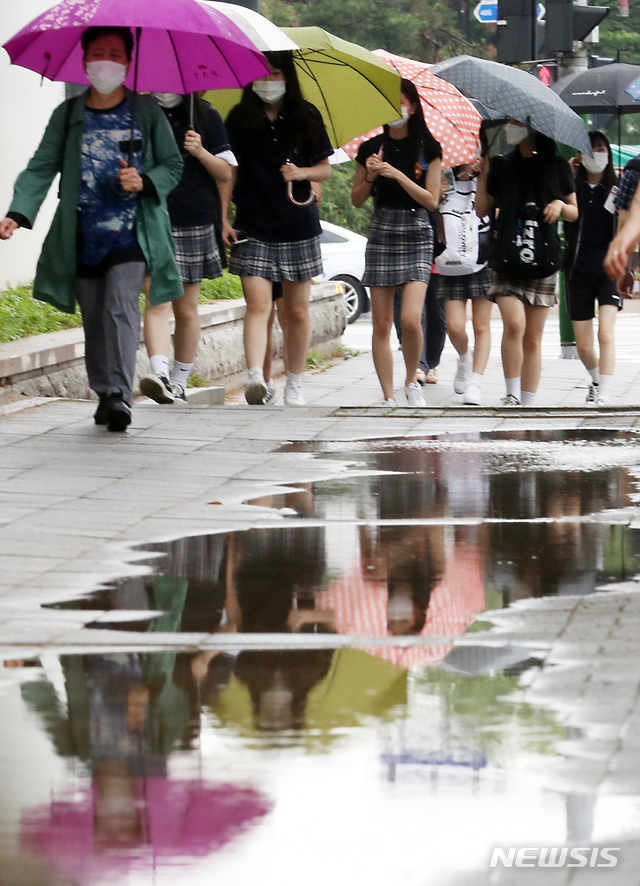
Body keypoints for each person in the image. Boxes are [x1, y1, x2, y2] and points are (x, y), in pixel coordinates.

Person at [0, 27, 183, 431]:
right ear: (85, 63)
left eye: (115, 54)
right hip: (81, 234)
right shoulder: (68, 115)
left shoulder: (146, 112)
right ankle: (104, 391)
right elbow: (42, 166)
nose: (107, 61)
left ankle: (120, 394)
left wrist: (145, 180)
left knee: (120, 308)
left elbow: (172, 164)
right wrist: (18, 211)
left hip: (131, 233)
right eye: (99, 53)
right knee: (95, 317)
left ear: (127, 63)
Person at [220, 51, 332, 407]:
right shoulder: (239, 118)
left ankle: (295, 382)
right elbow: (229, 172)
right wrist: (223, 218)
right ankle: (256, 376)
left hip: (298, 225)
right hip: (252, 223)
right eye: (262, 73)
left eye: (276, 73)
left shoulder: (307, 116)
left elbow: (324, 169)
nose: (269, 80)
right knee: (258, 305)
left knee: (297, 311)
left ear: (288, 76)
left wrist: (301, 173)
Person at [139, 93, 236, 403]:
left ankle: (179, 381)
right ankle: (160, 374)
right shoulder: (140, 113)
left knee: (185, 307)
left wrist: (200, 151)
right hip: (154, 217)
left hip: (194, 217)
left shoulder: (205, 114)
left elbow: (224, 173)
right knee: (157, 298)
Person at [352, 79, 442, 407]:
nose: (395, 109)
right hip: (382, 229)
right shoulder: (370, 149)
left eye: (401, 102)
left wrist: (399, 175)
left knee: (410, 317)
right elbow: (357, 199)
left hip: (417, 231)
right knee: (381, 323)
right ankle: (388, 394)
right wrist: (373, 175)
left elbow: (432, 201)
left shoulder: (428, 148)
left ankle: (412, 380)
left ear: (413, 107)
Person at [475, 121, 577, 406]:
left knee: (533, 337)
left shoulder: (556, 165)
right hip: (507, 257)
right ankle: (511, 393)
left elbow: (573, 212)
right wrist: (483, 177)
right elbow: (482, 209)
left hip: (542, 259)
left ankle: (528, 402)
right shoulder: (502, 164)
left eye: (517, 122)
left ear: (534, 127)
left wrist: (559, 205)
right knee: (515, 324)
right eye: (509, 121)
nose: (510, 127)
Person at [564, 132, 620, 407]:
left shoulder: (618, 187)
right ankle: (596, 381)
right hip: (578, 270)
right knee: (584, 345)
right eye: (591, 149)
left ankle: (605, 393)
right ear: (581, 155)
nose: (597, 153)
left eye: (601, 148)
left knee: (605, 333)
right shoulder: (573, 188)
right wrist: (568, 172)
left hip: (609, 269)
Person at [436, 155, 492, 406]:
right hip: (451, 263)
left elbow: (489, 209)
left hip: (482, 260)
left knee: (482, 326)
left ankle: (476, 383)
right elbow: (435, 216)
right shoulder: (445, 174)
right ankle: (464, 358)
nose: (474, 158)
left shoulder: (488, 176)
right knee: (455, 327)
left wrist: (483, 176)